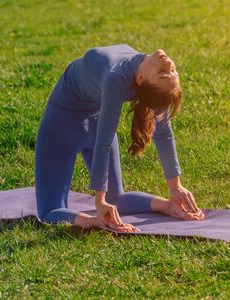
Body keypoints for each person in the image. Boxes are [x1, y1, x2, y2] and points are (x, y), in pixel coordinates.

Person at [35, 44, 204, 233]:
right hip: (72, 127)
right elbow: (104, 141)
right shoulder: (126, 78)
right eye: (171, 71)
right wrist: (101, 201)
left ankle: (165, 207)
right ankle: (95, 218)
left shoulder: (125, 79)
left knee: (51, 211)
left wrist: (175, 188)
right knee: (102, 202)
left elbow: (162, 133)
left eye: (165, 73)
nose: (168, 66)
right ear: (139, 78)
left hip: (65, 127)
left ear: (141, 79)